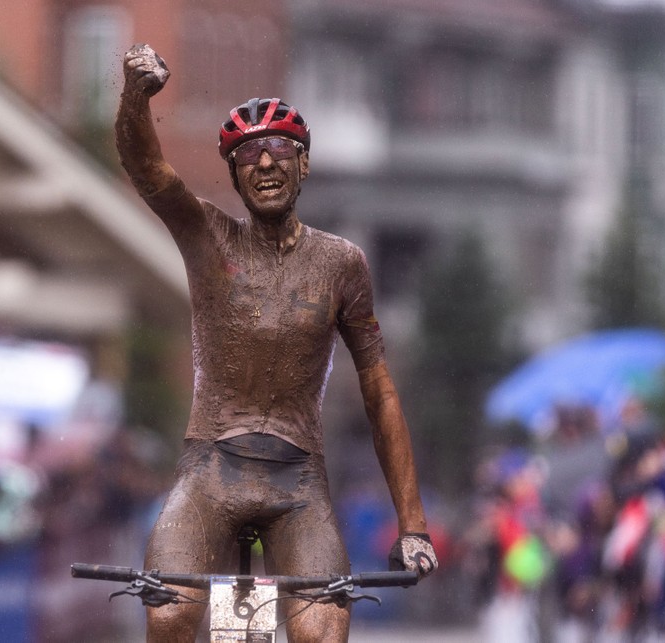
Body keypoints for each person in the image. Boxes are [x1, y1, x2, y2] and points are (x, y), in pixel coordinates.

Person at [115, 43, 437, 642]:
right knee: (171, 613)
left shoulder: (343, 264)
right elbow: (148, 171)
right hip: (210, 469)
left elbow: (379, 393)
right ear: (234, 175)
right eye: (248, 155)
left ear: (305, 165)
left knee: (322, 631)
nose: (264, 164)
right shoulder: (208, 237)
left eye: (279, 150)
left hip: (298, 483)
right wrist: (137, 95)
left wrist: (412, 525)